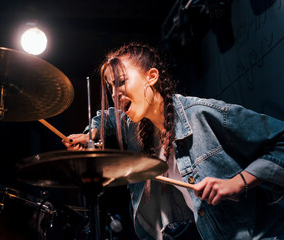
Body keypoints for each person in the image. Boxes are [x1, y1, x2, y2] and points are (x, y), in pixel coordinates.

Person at [63, 43, 284, 240]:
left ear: (151, 76)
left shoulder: (201, 113)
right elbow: (109, 117)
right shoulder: (135, 124)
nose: (115, 94)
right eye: (111, 87)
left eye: (121, 82)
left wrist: (237, 182)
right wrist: (90, 132)